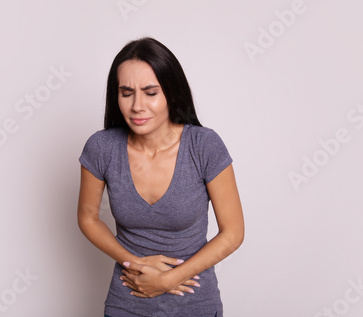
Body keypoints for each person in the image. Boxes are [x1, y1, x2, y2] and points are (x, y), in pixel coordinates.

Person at [77, 37, 244, 317]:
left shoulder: (204, 146)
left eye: (150, 92)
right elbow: (88, 217)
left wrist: (168, 279)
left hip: (194, 303)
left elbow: (233, 233)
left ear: (172, 94)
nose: (137, 106)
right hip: (128, 299)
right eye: (126, 92)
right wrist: (134, 264)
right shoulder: (101, 148)